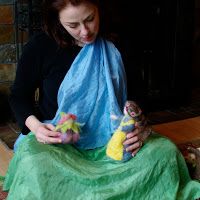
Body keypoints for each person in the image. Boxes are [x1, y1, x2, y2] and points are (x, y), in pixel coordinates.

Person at [3, 0, 200, 199]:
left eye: (90, 19)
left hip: (114, 138)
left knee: (165, 153)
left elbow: (138, 94)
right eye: (73, 25)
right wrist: (37, 128)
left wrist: (138, 125)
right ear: (57, 20)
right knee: (34, 165)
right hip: (59, 143)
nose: (85, 31)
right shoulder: (41, 46)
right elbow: (19, 96)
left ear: (99, 9)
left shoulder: (120, 40)